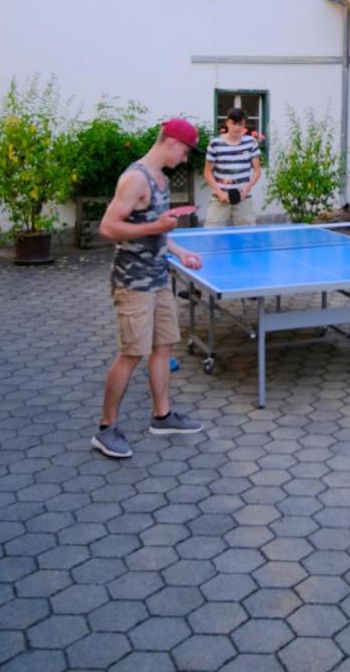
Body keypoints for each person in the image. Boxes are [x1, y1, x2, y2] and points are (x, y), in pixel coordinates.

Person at [92, 118, 206, 460]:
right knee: (131, 353)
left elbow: (157, 229)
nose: (186, 159)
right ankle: (105, 428)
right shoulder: (134, 179)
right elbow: (108, 227)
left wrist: (180, 251)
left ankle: (163, 416)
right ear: (171, 142)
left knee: (163, 345)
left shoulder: (161, 180)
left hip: (158, 278)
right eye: (186, 151)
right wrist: (156, 226)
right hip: (132, 283)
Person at [204, 107, 262, 226]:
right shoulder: (215, 144)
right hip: (219, 198)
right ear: (227, 123)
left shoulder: (251, 143)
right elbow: (207, 172)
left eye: (240, 124)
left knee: (248, 237)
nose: (237, 127)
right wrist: (220, 193)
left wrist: (247, 189)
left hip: (243, 198)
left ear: (244, 125)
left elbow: (257, 171)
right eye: (233, 123)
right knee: (212, 236)